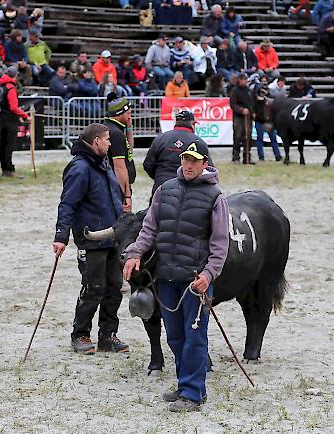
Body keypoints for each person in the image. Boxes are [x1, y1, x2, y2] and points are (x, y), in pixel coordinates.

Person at [123, 140, 229, 413]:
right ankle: (188, 386)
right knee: (175, 336)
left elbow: (220, 245)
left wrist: (209, 273)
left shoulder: (215, 197)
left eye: (195, 160)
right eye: (185, 159)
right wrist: (135, 252)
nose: (189, 165)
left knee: (195, 338)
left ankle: (192, 394)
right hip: (165, 277)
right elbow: (149, 230)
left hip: (195, 282)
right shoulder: (164, 190)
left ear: (205, 163)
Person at [53, 123, 129, 356]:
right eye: (106, 139)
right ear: (96, 141)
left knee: (114, 288)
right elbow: (67, 204)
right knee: (93, 288)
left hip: (112, 238)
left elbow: (112, 197)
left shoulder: (102, 163)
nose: (109, 142)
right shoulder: (79, 168)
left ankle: (107, 335)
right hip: (91, 238)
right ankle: (80, 334)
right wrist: (61, 236)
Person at [143, 109, 212, 194]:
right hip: (187, 188)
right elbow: (209, 168)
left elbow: (148, 164)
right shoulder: (199, 143)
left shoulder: (160, 138)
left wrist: (159, 176)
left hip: (161, 186)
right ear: (192, 124)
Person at [104, 93, 135, 213]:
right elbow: (119, 167)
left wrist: (129, 128)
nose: (130, 117)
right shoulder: (116, 134)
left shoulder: (114, 128)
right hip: (116, 186)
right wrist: (126, 196)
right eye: (128, 114)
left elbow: (130, 150)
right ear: (119, 114)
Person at [0, 66, 30, 176]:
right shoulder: (11, 88)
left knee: (3, 146)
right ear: (15, 76)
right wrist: (26, 116)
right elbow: (13, 107)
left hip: (1, 118)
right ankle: (9, 169)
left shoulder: (2, 86)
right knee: (9, 146)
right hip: (10, 120)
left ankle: (4, 168)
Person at [253, 78, 282, 162]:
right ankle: (261, 157)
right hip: (260, 120)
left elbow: (273, 101)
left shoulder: (270, 97)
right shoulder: (255, 99)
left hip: (269, 121)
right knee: (260, 140)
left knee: (273, 139)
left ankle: (277, 156)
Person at [229, 73, 254, 164]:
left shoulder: (249, 90)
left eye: (245, 79)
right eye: (242, 79)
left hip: (248, 117)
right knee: (237, 137)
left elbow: (252, 102)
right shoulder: (234, 91)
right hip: (238, 117)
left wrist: (252, 112)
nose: (244, 81)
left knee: (248, 137)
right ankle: (236, 157)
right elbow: (232, 104)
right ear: (239, 80)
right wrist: (241, 110)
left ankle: (247, 157)